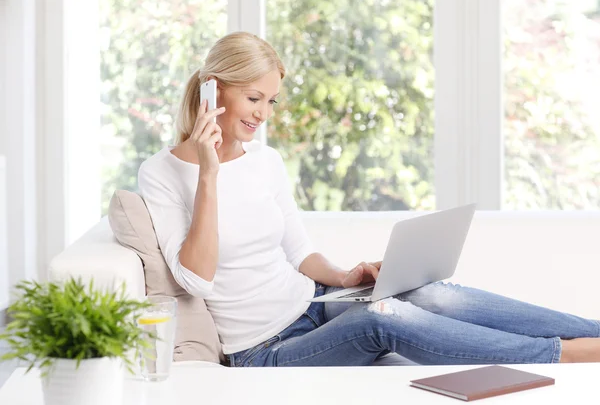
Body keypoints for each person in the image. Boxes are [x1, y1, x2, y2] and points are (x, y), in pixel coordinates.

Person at [138, 31, 600, 367]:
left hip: (312, 303)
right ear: (212, 90)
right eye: (254, 98)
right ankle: (566, 355)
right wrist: (209, 174)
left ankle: (594, 332)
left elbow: (298, 251)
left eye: (271, 102)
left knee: (426, 293)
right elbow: (196, 280)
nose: (262, 114)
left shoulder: (265, 160)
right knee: (383, 319)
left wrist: (343, 275)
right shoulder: (161, 174)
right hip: (263, 349)